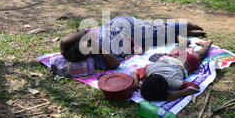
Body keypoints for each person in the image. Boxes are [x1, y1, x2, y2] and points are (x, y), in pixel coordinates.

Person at [59, 16, 206, 71]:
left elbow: (64, 41)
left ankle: (190, 26)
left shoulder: (87, 34)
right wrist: (101, 51)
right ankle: (189, 34)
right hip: (135, 43)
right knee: (163, 38)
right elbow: (115, 65)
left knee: (160, 27)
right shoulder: (97, 58)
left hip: (128, 26)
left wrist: (85, 34)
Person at [133, 38, 213, 102]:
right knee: (178, 49)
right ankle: (183, 41)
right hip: (171, 56)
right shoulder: (149, 70)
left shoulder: (173, 82)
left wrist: (177, 94)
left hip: (187, 61)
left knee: (199, 54)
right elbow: (136, 72)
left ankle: (207, 44)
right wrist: (135, 80)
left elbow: (195, 88)